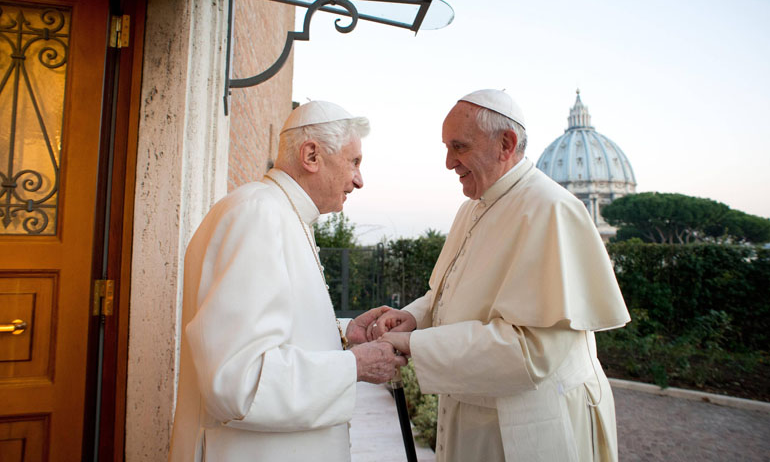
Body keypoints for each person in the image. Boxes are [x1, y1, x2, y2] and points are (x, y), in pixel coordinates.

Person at [370, 89, 631, 461]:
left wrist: (416, 345)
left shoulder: (551, 209)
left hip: (528, 424)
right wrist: (413, 317)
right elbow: (447, 292)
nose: (448, 162)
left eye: (458, 147)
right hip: (472, 413)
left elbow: (532, 352)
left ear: (505, 144)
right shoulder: (472, 208)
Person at [168, 101, 407, 462]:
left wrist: (343, 339)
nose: (359, 180)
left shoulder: (280, 214)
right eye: (354, 162)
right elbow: (238, 382)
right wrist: (355, 365)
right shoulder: (259, 214)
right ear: (311, 155)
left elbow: (275, 336)